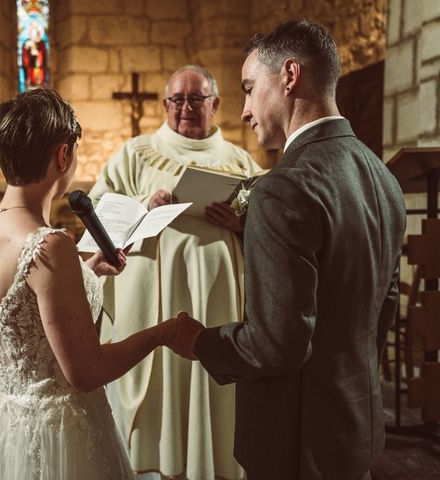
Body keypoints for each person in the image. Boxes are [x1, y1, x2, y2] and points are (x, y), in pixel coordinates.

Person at [170, 20, 406, 480]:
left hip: (298, 441)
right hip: (355, 425)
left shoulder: (283, 188)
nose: (243, 111)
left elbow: (275, 345)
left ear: (290, 76)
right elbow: (384, 304)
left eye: (250, 88)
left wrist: (199, 341)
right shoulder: (382, 176)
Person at [0, 88, 179, 480]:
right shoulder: (50, 246)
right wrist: (163, 334)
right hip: (58, 431)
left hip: (9, 418)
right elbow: (85, 371)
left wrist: (90, 270)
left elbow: (27, 307)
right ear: (63, 155)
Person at [89, 65, 259, 480]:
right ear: (165, 105)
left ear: (215, 105)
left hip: (218, 301)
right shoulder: (135, 154)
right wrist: (142, 206)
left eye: (196, 99)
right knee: (160, 379)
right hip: (150, 305)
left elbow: (275, 226)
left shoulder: (241, 162)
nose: (186, 107)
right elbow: (96, 216)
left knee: (211, 381)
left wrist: (242, 223)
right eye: (177, 100)